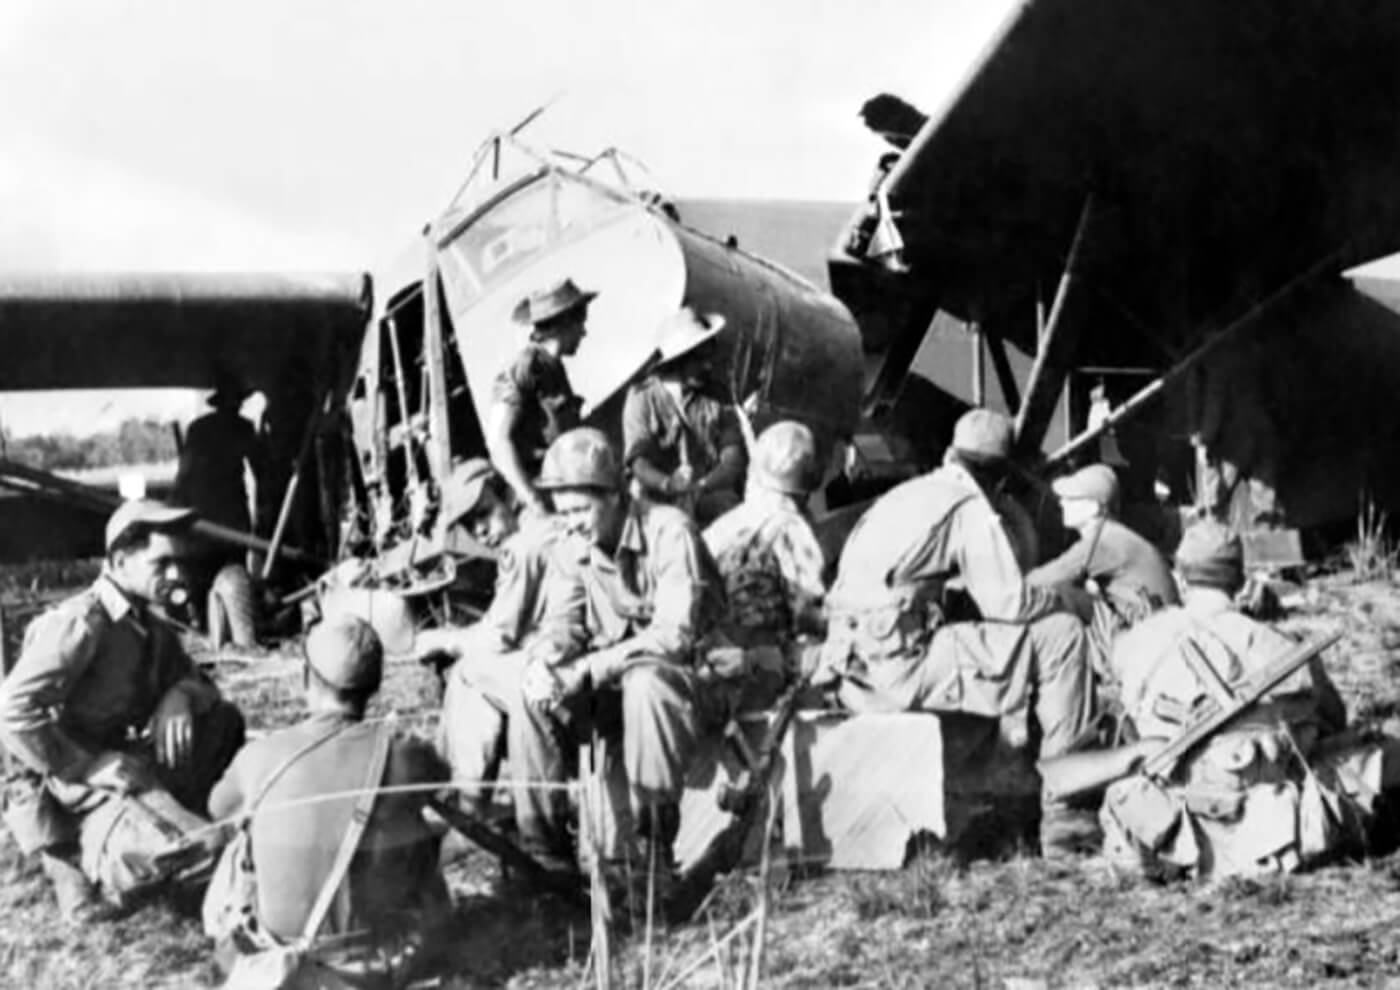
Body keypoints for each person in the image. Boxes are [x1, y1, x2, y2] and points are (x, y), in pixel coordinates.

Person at [817, 408, 1097, 857]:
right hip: (896, 668)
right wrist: (1068, 599)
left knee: (977, 645)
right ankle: (1068, 806)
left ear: (952, 452)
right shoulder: (969, 506)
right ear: (1000, 476)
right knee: (1060, 636)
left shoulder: (908, 495)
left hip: (850, 666)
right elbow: (1009, 604)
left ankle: (974, 789)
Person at [0, 500, 246, 922]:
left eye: (180, 564)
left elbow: (201, 683)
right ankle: (86, 860)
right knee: (207, 852)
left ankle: (161, 821)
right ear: (119, 560)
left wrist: (180, 695)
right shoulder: (81, 623)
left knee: (223, 722)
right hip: (76, 785)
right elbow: (12, 712)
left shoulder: (148, 625)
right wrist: (86, 766)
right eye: (162, 562)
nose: (177, 575)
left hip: (127, 764)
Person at [508, 428, 726, 888]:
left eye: (581, 510)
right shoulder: (571, 545)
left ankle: (654, 850)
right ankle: (546, 855)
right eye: (563, 512)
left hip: (697, 686)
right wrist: (546, 661)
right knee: (528, 697)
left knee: (647, 681)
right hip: (619, 694)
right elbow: (562, 623)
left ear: (616, 497)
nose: (571, 523)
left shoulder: (670, 531)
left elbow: (674, 636)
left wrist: (585, 670)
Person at [1098, 520, 1377, 879]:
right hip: (1283, 830)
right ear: (1242, 582)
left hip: (1180, 832)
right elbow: (1332, 720)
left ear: (1181, 579)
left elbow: (1133, 729)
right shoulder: (1287, 646)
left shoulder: (1139, 642)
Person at [206, 615, 450, 986]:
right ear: (375, 687)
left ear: (306, 677)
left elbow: (217, 811)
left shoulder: (261, 756)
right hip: (378, 962)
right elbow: (441, 777)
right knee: (413, 823)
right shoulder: (405, 756)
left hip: (277, 959)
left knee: (243, 835)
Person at [411, 457, 561, 817]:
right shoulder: (547, 527)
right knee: (472, 668)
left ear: (508, 494)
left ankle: (464, 804)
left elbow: (498, 637)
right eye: (469, 524)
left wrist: (443, 639)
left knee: (468, 673)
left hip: (556, 669)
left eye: (484, 513)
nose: (479, 531)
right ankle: (461, 799)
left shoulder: (524, 547)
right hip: (561, 656)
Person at [703, 420, 828, 711]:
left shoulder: (723, 525)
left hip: (715, 658)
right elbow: (810, 613)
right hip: (760, 663)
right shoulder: (790, 527)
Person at [1028, 463, 1179, 666]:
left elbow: (1042, 580)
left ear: (1094, 507)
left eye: (1072, 499)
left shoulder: (1102, 542)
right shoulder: (1114, 533)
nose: (1062, 503)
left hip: (1148, 643)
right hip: (1158, 632)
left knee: (1063, 593)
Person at [622, 307, 747, 526]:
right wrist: (669, 484)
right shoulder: (642, 399)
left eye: (709, 357)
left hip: (707, 494)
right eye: (699, 359)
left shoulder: (718, 396)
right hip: (658, 500)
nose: (708, 366)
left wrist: (702, 486)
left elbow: (732, 457)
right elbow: (638, 462)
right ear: (678, 360)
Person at [486, 277, 594, 516]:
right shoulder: (525, 367)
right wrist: (534, 502)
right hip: (539, 501)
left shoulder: (552, 368)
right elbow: (498, 442)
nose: (584, 332)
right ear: (563, 323)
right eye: (580, 323)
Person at [173, 370, 265, 646]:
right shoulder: (243, 428)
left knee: (205, 584)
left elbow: (183, 477)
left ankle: (208, 633)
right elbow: (263, 471)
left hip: (205, 521)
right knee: (230, 579)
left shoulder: (199, 428)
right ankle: (222, 635)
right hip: (228, 520)